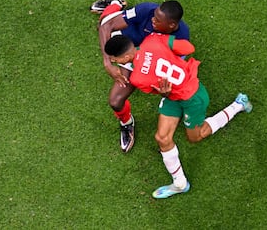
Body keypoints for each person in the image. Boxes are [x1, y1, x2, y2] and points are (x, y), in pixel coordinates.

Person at [104, 34, 253, 199]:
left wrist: (165, 90)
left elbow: (162, 92)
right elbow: (188, 48)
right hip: (174, 96)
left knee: (195, 137)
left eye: (115, 59)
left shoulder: (138, 78)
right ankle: (180, 184)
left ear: (125, 57)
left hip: (193, 97)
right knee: (162, 138)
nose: (115, 63)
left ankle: (238, 105)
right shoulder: (152, 40)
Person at [91, 0, 190, 153]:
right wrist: (108, 64)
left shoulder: (181, 39)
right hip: (128, 49)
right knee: (103, 23)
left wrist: (166, 93)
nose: (152, 20)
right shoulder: (147, 10)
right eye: (154, 16)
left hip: (144, 62)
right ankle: (115, 5)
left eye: (157, 20)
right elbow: (107, 27)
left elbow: (171, 72)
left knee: (116, 100)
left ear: (171, 25)